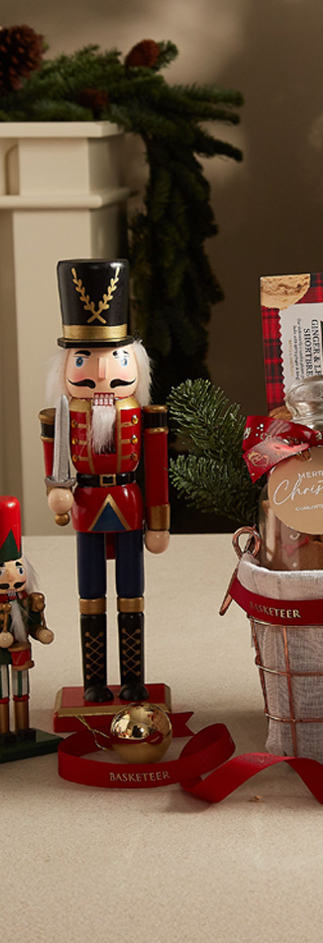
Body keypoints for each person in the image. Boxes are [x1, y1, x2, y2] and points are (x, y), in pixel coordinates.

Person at [40, 258, 169, 704]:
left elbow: (155, 471)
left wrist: (159, 522)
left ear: (134, 361)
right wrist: (57, 492)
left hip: (130, 504)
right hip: (87, 507)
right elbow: (54, 471)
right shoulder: (59, 418)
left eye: (114, 358)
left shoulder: (145, 416)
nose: (100, 374)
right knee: (90, 595)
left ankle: (133, 676)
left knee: (131, 595)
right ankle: (94, 679)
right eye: (85, 360)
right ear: (66, 367)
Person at [0, 496, 55, 746]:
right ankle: (3, 730)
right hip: (0, 656)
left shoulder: (25, 599)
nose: (12, 576)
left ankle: (23, 728)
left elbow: (34, 623)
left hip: (21, 653)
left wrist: (40, 631)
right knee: (1, 693)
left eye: (18, 569)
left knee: (21, 691)